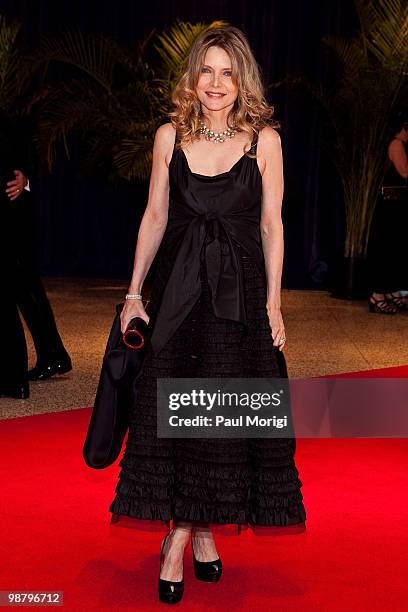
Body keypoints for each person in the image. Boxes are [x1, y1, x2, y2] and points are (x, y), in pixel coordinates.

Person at [109, 26, 306, 604]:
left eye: (228, 73)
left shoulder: (263, 141)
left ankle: (194, 535)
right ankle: (184, 538)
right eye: (207, 71)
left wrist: (273, 302)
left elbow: (273, 226)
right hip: (178, 296)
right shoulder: (168, 137)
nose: (216, 84)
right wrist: (133, 293)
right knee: (174, 411)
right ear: (192, 78)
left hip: (239, 303)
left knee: (219, 422)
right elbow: (153, 217)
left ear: (242, 80)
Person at [0, 110, 71, 400]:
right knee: (25, 290)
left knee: (22, 290)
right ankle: (53, 355)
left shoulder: (9, 118)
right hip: (14, 218)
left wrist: (26, 180)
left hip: (13, 220)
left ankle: (28, 369)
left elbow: (27, 155)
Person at [367, 112, 408, 314]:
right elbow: (404, 172)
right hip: (391, 208)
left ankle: (391, 292)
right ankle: (378, 295)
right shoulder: (396, 144)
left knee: (394, 250)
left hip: (396, 207)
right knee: (388, 248)